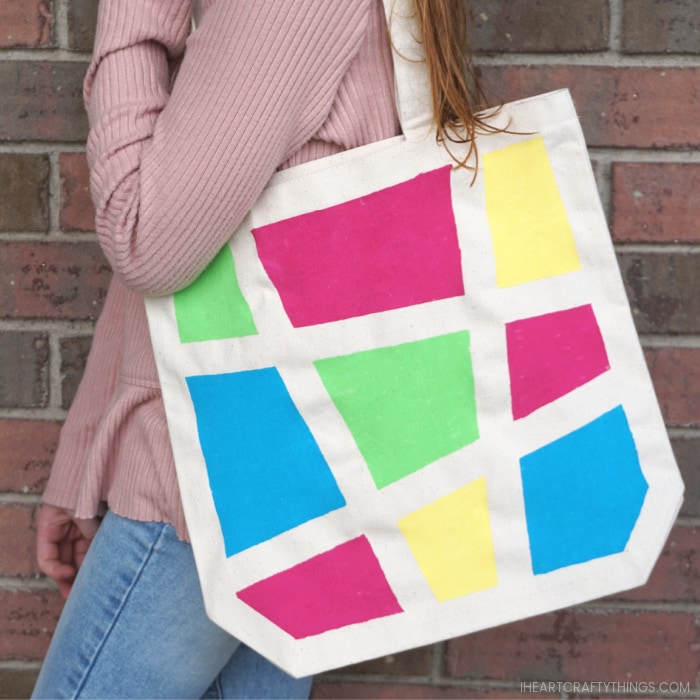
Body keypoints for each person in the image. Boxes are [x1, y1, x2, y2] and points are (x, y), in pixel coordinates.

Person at [32, 0, 490, 697]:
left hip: (212, 484)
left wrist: (132, 16)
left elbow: (146, 241)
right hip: (286, 481)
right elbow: (205, 240)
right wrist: (89, 457)